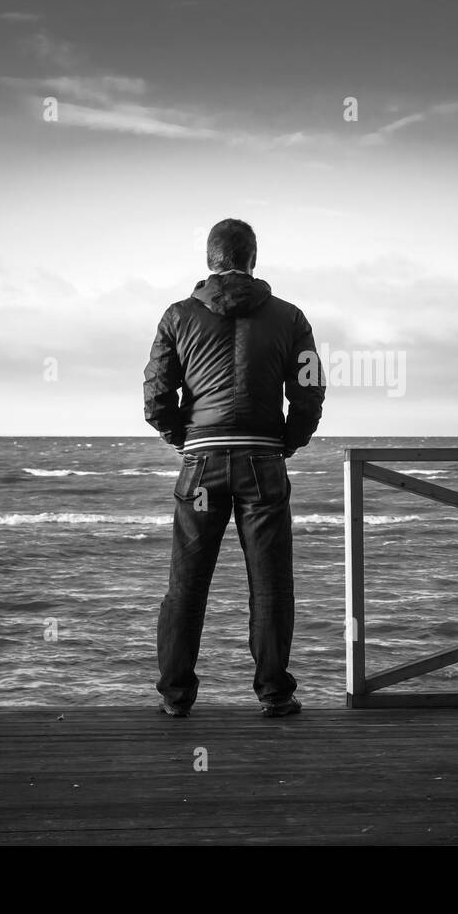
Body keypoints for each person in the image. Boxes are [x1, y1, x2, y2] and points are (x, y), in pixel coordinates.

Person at [143, 218, 324, 718]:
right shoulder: (291, 317)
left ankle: (176, 697)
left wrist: (185, 439)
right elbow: (310, 390)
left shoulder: (177, 316)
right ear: (252, 259)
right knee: (270, 585)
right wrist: (287, 442)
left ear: (210, 260)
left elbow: (156, 395)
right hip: (263, 463)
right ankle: (275, 694)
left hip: (201, 466)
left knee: (186, 586)